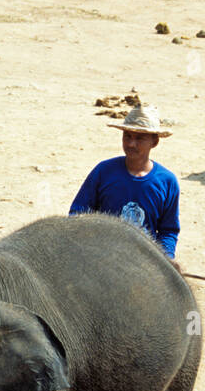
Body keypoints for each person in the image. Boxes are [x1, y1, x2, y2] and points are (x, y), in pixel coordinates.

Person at [69, 103, 181, 269]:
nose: (131, 144)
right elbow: (77, 214)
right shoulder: (104, 171)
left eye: (140, 138)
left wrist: (165, 260)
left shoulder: (167, 182)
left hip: (144, 263)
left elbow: (168, 230)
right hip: (100, 258)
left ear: (154, 142)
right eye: (127, 136)